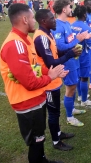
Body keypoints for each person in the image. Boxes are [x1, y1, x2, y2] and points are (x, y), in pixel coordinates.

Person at [0, 3, 66, 163]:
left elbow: (34, 68)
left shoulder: (25, 40)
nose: (34, 21)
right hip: (26, 101)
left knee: (40, 136)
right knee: (36, 141)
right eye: (31, 16)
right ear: (24, 19)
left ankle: (42, 161)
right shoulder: (15, 44)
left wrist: (52, 71)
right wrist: (50, 78)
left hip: (36, 98)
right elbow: (29, 82)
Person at [33, 9, 83, 151]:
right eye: (51, 19)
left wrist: (70, 52)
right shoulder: (41, 37)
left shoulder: (48, 34)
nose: (55, 20)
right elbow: (51, 63)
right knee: (53, 113)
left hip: (54, 80)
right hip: (47, 82)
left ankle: (59, 133)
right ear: (43, 21)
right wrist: (69, 55)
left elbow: (56, 53)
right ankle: (56, 141)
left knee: (56, 111)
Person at [51, 0, 90, 127]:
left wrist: (82, 35)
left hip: (74, 60)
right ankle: (69, 117)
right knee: (71, 88)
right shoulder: (57, 26)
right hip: (67, 62)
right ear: (64, 9)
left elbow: (71, 38)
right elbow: (60, 46)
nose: (71, 9)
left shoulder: (67, 23)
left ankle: (72, 109)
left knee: (74, 86)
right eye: (69, 7)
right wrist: (78, 39)